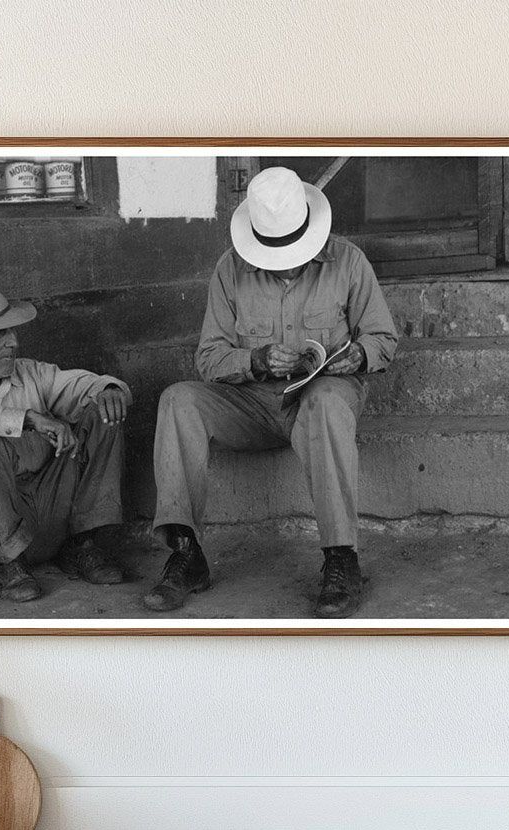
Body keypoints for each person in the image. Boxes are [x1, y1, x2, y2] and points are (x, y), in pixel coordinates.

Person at [144, 166, 399, 618]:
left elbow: (383, 338)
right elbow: (208, 358)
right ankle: (186, 553)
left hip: (324, 397)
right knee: (178, 399)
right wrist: (255, 360)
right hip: (255, 404)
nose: (286, 262)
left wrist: (355, 357)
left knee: (323, 401)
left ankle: (341, 558)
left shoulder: (349, 262)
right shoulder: (230, 269)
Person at [0, 269, 132, 603]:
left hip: (48, 517)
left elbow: (80, 384)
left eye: (12, 331)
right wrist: (27, 418)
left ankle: (84, 544)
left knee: (103, 413)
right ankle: (10, 567)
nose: (14, 342)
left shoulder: (31, 373)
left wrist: (106, 388)